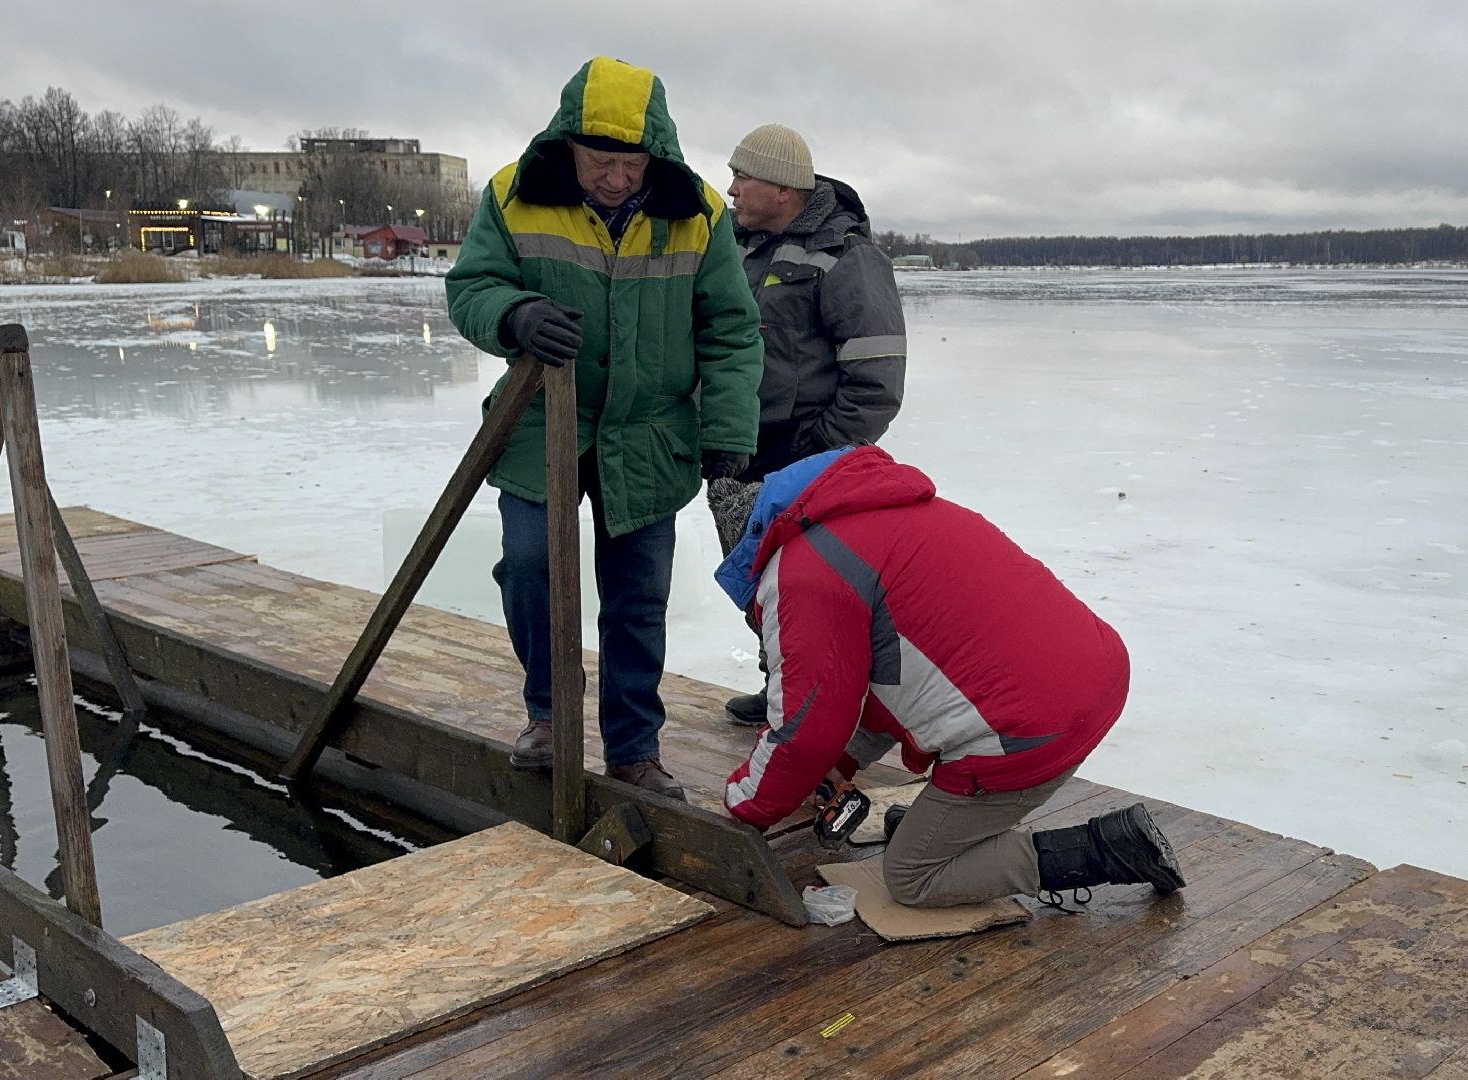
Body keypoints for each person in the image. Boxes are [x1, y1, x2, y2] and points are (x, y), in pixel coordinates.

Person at [446, 56, 763, 800]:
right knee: (529, 567)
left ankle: (633, 747)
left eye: (631, 162)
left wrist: (727, 429)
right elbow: (471, 287)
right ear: (568, 144)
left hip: (649, 435)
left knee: (637, 595)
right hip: (539, 424)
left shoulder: (700, 213)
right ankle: (549, 717)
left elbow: (731, 330)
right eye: (600, 160)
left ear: (657, 153)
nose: (616, 178)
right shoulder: (514, 195)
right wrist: (513, 315)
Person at [707, 448, 1184, 907]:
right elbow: (892, 675)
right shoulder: (897, 510)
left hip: (1028, 730)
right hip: (1096, 674)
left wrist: (743, 806)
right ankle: (943, 823)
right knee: (929, 808)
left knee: (913, 876)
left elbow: (805, 730)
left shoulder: (802, 573)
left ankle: (1107, 849)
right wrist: (842, 765)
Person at [720, 123, 908, 727]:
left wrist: (817, 453)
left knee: (809, 593)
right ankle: (782, 685)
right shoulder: (732, 248)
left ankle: (824, 705)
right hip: (737, 455)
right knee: (759, 588)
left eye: (742, 177)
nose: (731, 189)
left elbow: (877, 383)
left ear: (781, 188)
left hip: (802, 463)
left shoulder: (847, 257)